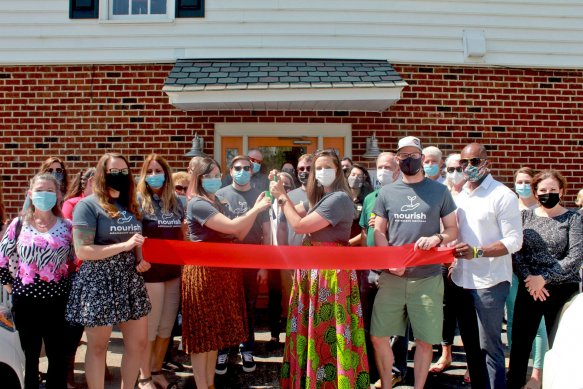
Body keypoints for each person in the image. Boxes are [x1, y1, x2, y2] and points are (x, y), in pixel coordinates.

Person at [270, 149, 369, 389]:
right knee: (313, 328)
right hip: (314, 271)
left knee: (326, 328)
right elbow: (297, 210)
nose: (322, 172)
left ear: (338, 172)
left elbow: (300, 225)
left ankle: (330, 382)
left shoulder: (338, 199)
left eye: (328, 167)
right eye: (318, 168)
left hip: (328, 274)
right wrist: (278, 190)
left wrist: (282, 197)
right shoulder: (323, 199)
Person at [371, 136, 458, 389]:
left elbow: (452, 229)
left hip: (428, 278)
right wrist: (389, 260)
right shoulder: (386, 192)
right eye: (404, 155)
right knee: (378, 336)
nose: (409, 159)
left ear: (421, 157)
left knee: (424, 340)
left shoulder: (440, 191)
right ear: (397, 160)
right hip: (392, 277)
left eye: (414, 155)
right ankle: (387, 384)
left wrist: (437, 238)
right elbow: (379, 231)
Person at [182, 156, 271, 389]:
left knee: (214, 335)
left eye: (215, 175)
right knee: (203, 337)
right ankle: (202, 385)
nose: (212, 179)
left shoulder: (217, 202)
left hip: (223, 274)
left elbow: (239, 234)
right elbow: (233, 227)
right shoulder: (198, 203)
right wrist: (257, 209)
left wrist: (251, 213)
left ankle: (210, 384)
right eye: (207, 176)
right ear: (198, 178)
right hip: (204, 274)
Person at [66, 152, 151, 389]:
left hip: (129, 279)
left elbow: (138, 242)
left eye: (124, 171)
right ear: (102, 174)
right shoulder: (87, 205)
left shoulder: (131, 204)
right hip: (97, 279)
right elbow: (82, 251)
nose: (120, 176)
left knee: (138, 343)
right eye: (114, 171)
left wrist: (141, 260)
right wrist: (123, 246)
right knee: (98, 346)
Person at [451, 143, 523, 389]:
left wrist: (477, 252)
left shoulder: (503, 195)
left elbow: (514, 241)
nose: (468, 167)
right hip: (461, 279)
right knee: (471, 348)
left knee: (490, 347)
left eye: (473, 161)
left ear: (486, 163)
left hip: (490, 282)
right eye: (463, 163)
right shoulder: (460, 195)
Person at [507, 170, 582, 389]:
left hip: (561, 289)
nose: (547, 194)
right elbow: (517, 252)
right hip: (530, 287)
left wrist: (544, 278)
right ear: (535, 192)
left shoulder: (573, 218)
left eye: (552, 190)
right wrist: (530, 279)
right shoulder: (525, 217)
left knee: (559, 345)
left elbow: (575, 257)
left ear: (562, 191)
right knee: (520, 344)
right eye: (542, 190)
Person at [0, 173, 76, 389]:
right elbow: (2, 259)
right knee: (30, 357)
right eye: (40, 190)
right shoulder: (18, 224)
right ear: (30, 194)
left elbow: (74, 260)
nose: (45, 195)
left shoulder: (68, 227)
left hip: (58, 301)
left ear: (59, 195)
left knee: (57, 356)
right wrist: (11, 287)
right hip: (26, 302)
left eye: (50, 191)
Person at [215, 155, 270, 374]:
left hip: (252, 259)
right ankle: (223, 350)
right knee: (226, 306)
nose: (243, 171)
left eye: (247, 167)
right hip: (225, 260)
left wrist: (265, 265)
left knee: (248, 306)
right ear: (230, 171)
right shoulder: (220, 195)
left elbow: (267, 232)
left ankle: (246, 348)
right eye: (238, 168)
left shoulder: (260, 196)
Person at [136, 154, 185, 389]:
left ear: (166, 173)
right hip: (150, 274)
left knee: (167, 327)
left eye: (159, 171)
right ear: (144, 175)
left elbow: (183, 234)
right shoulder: (137, 202)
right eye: (150, 171)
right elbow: (132, 237)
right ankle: (144, 376)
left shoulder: (177, 202)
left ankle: (156, 371)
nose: (154, 175)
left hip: (173, 272)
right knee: (151, 327)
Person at [357, 151, 399, 386]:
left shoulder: (404, 197)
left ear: (397, 169)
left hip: (394, 269)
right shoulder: (370, 198)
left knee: (394, 326)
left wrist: (386, 222)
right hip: (371, 269)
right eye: (379, 166)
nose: (383, 171)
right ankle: (373, 371)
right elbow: (364, 233)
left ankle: (395, 369)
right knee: (370, 324)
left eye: (388, 166)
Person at [505, 167, 548, 389]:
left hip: (535, 276)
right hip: (512, 271)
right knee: (513, 320)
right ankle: (516, 366)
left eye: (526, 181)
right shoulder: (510, 206)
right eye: (518, 181)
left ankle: (538, 374)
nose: (522, 185)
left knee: (538, 324)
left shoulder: (542, 209)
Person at [429, 153, 467, 379]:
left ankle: (473, 359)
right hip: (442, 258)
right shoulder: (441, 194)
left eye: (458, 168)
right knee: (445, 309)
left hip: (468, 258)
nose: (454, 173)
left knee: (467, 311)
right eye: (450, 169)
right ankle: (446, 353)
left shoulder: (473, 195)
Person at [266, 171, 296, 350]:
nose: (281, 187)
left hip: (291, 257)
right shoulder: (267, 204)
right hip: (272, 256)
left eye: (285, 185)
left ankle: (293, 334)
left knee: (292, 298)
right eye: (278, 184)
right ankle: (274, 335)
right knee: (274, 296)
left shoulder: (293, 204)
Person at [347, 164, 373, 246]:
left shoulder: (368, 200)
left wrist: (349, 243)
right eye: (353, 174)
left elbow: (367, 229)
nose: (355, 178)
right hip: (340, 246)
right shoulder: (341, 197)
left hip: (358, 246)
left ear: (364, 179)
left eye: (359, 176)